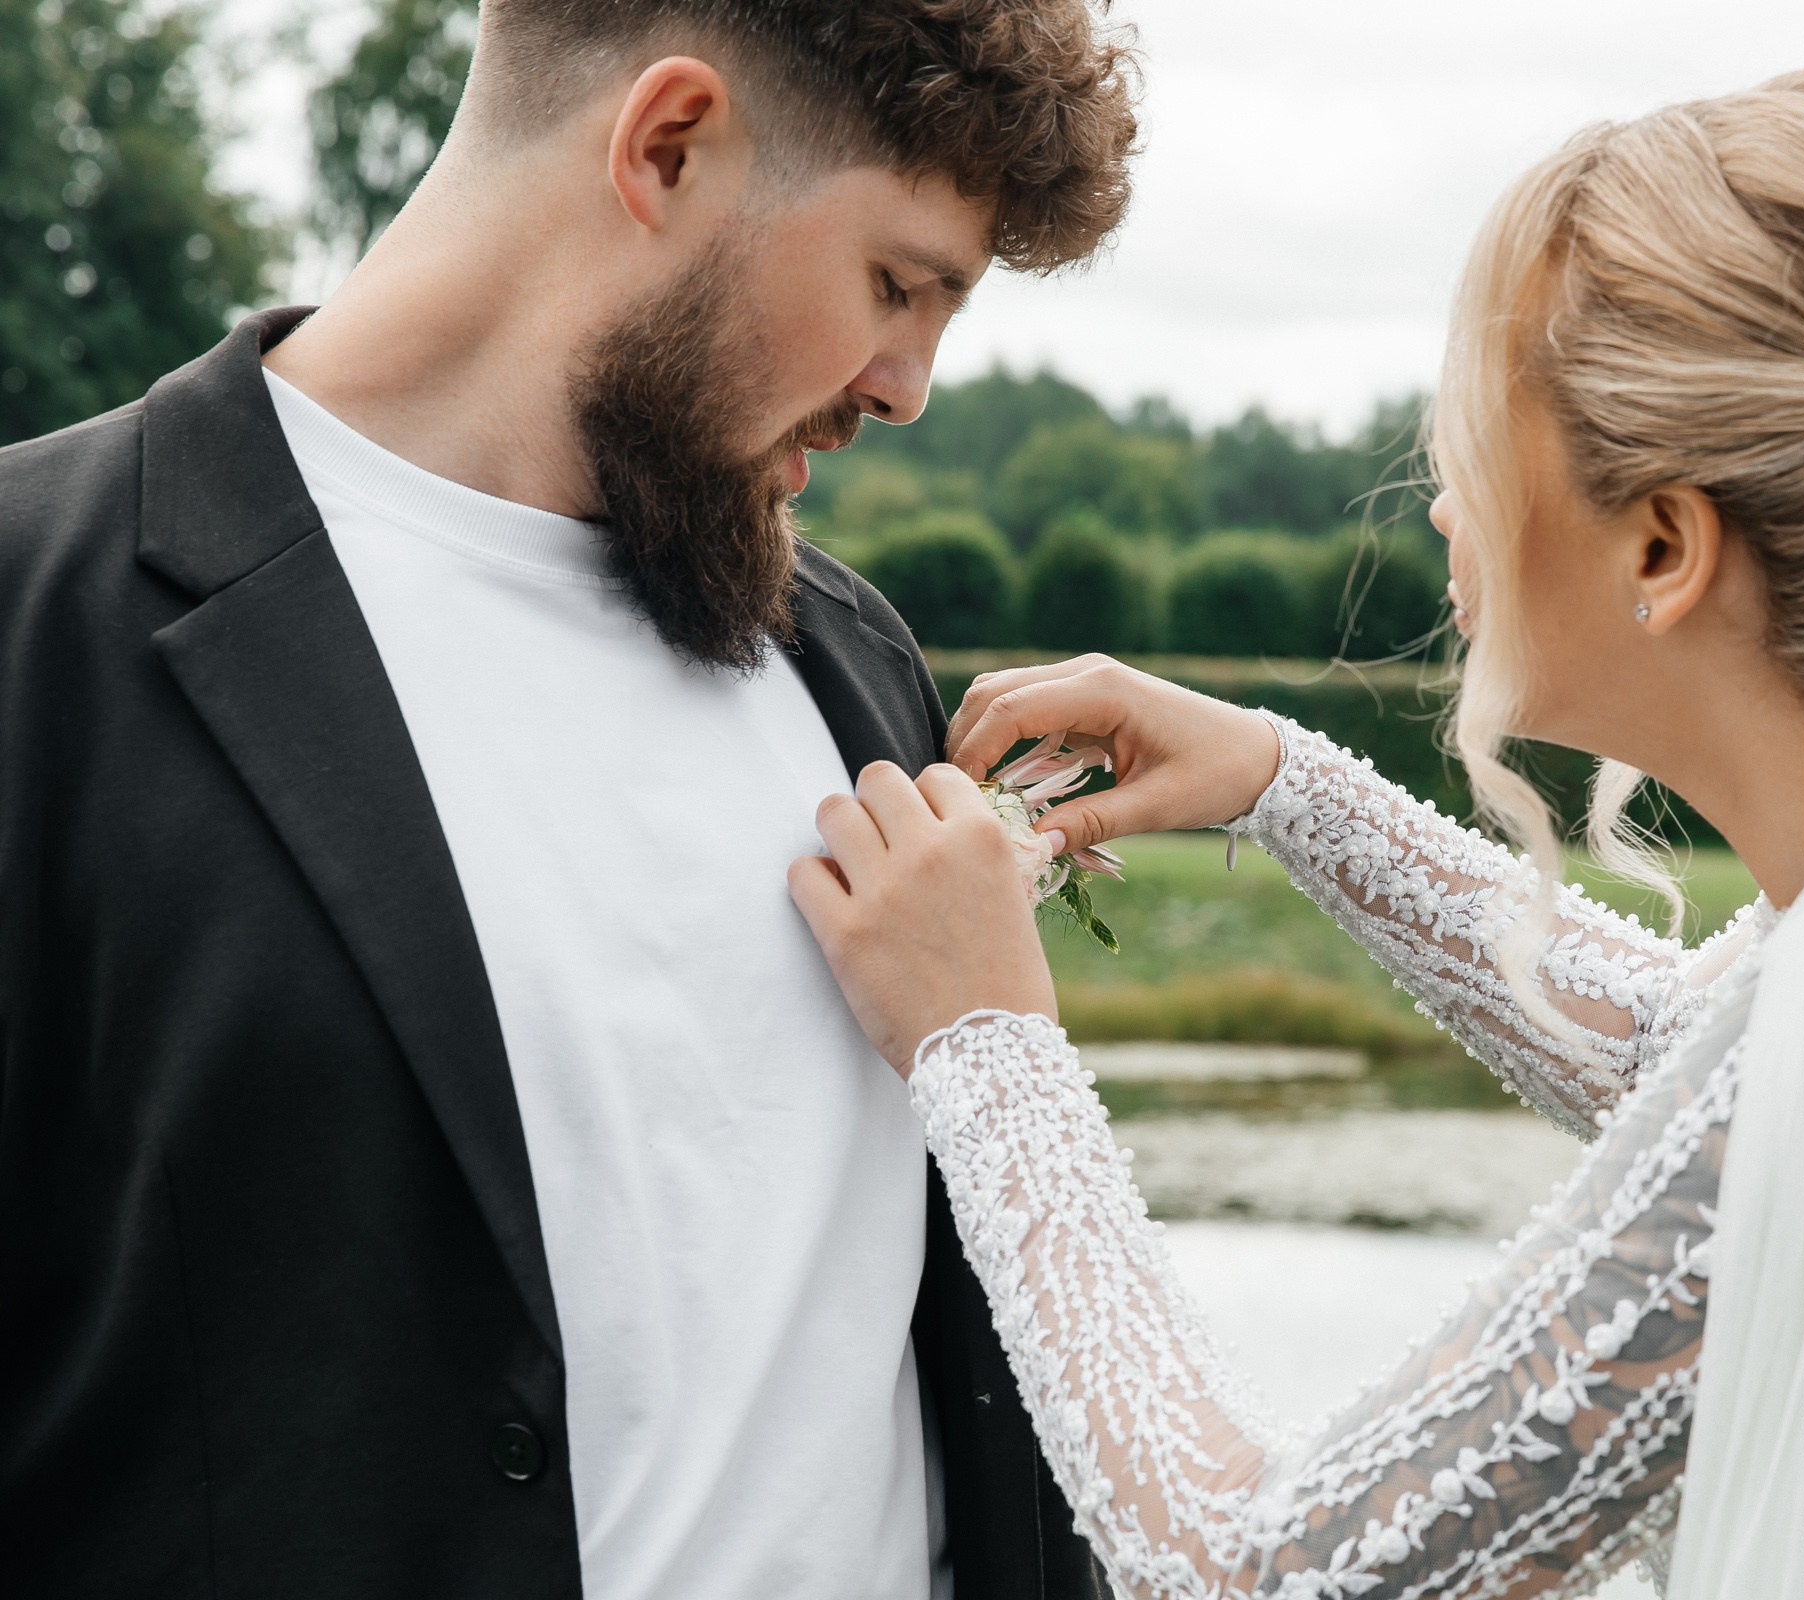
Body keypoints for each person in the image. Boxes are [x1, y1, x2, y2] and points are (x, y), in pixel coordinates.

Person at [788, 71, 1804, 1600]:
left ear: (1663, 543)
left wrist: (982, 1040)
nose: (1444, 508)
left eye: (1471, 442)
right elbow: (1711, 1064)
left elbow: (1260, 1567)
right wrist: (1283, 783)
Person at [0, 3, 1133, 1596]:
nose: (908, 387)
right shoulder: (27, 629)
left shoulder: (859, 667)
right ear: (667, 147)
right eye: (897, 283)